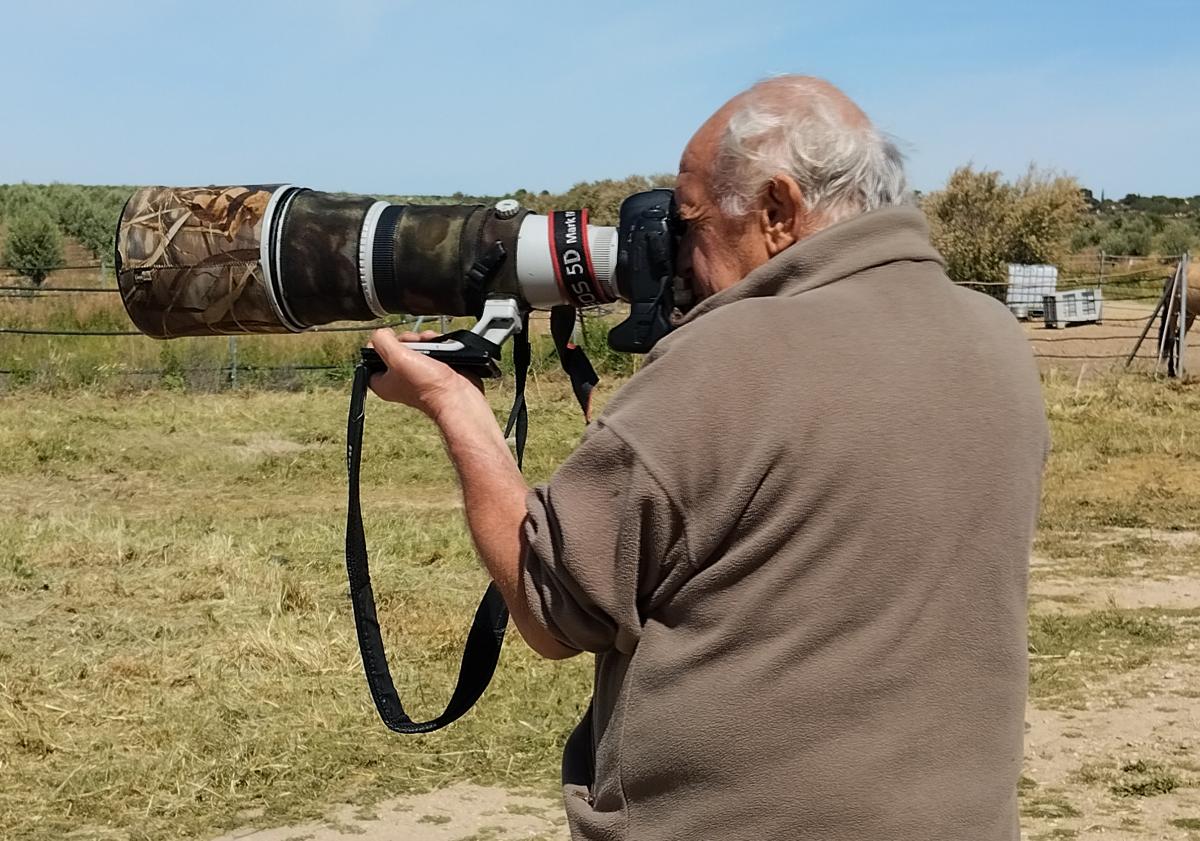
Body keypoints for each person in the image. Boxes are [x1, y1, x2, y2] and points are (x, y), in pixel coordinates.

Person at [368, 75, 1048, 841]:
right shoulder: (992, 339)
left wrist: (454, 407)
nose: (676, 257)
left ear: (778, 212)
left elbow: (551, 609)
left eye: (688, 224)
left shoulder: (729, 358)